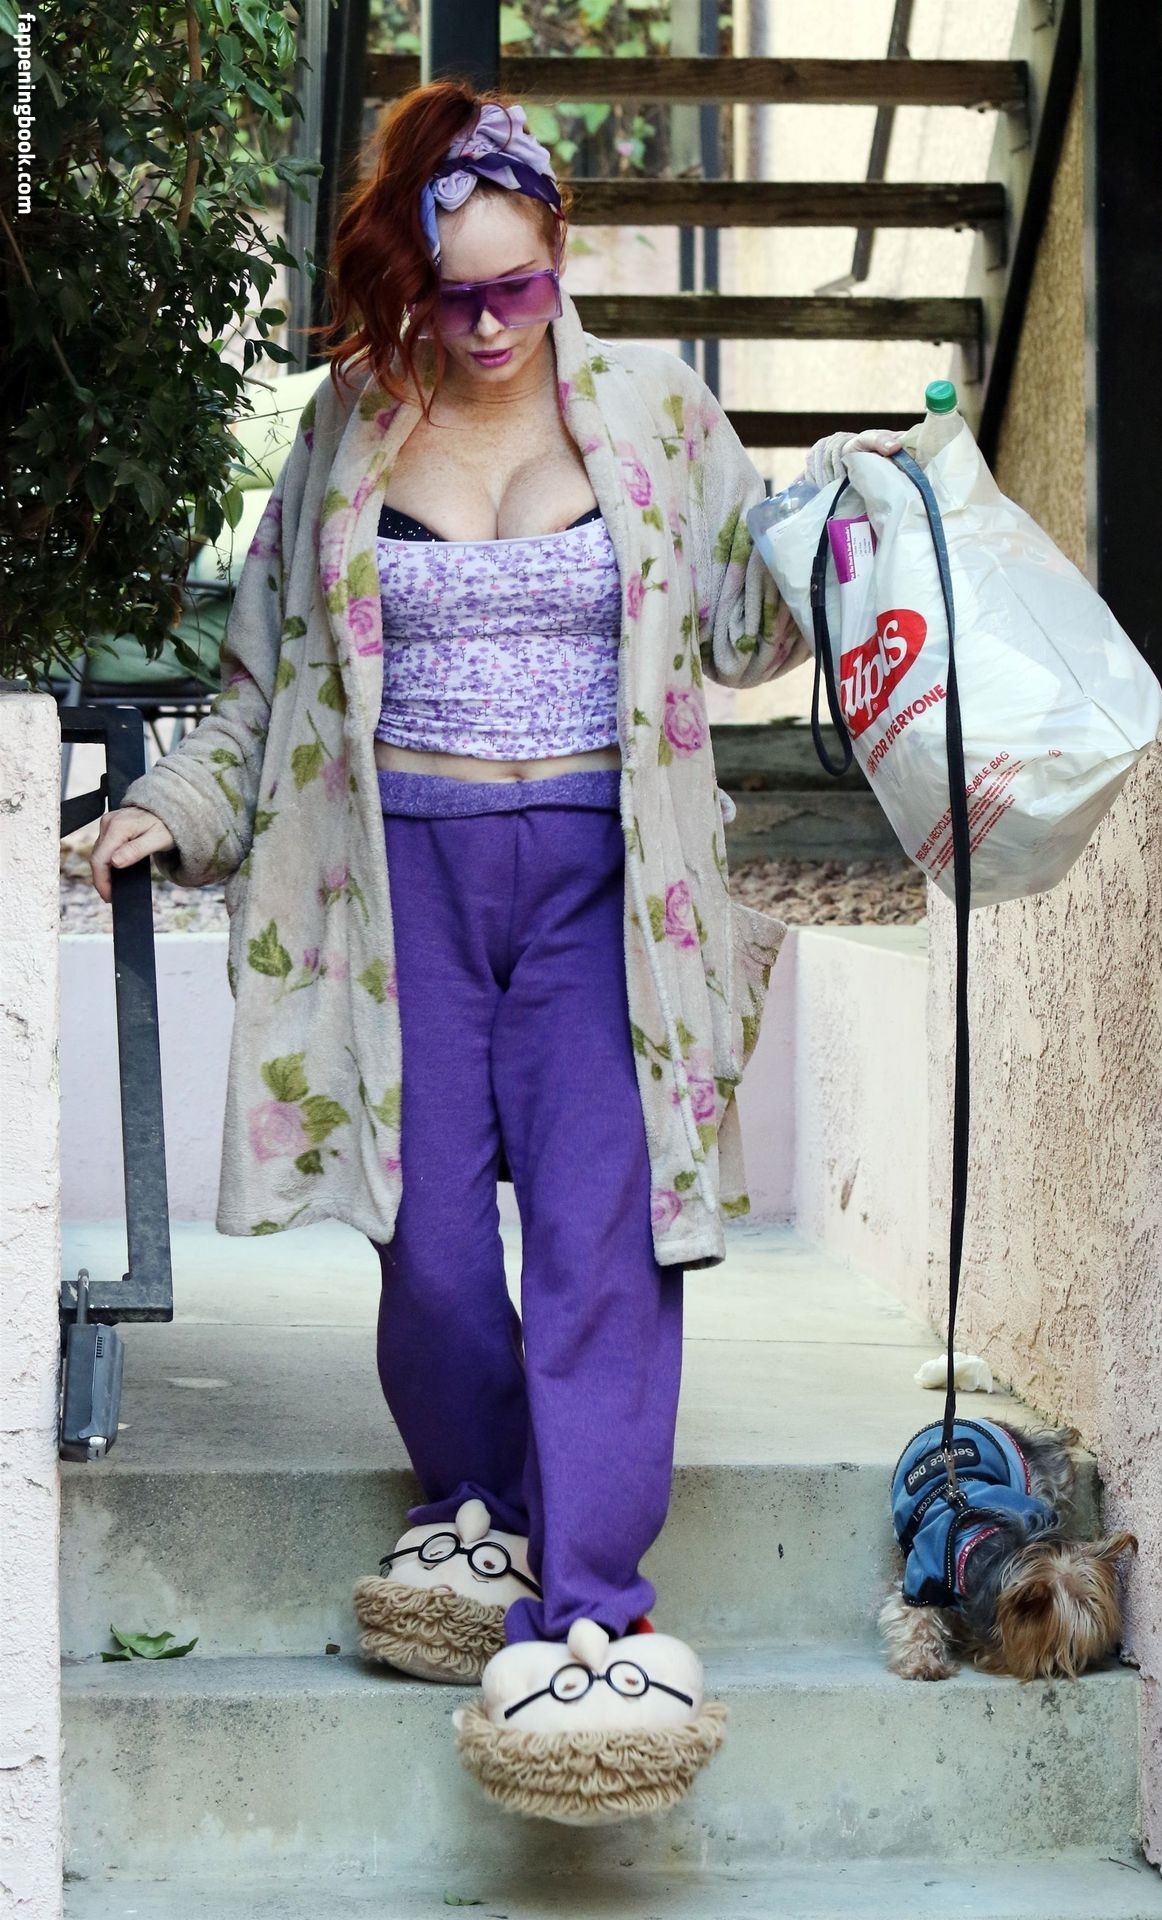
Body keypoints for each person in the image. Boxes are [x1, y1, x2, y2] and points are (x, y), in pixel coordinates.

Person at [89, 80, 904, 1822]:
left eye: (514, 286)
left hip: (605, 881)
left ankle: (592, 1609)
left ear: (561, 254)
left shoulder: (659, 416)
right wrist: (176, 807)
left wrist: (847, 523)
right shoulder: (350, 427)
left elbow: (749, 626)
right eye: (448, 294)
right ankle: (474, 1502)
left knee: (605, 1235)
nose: (481, 325)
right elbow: (261, 679)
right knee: (437, 1247)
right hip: (404, 886)